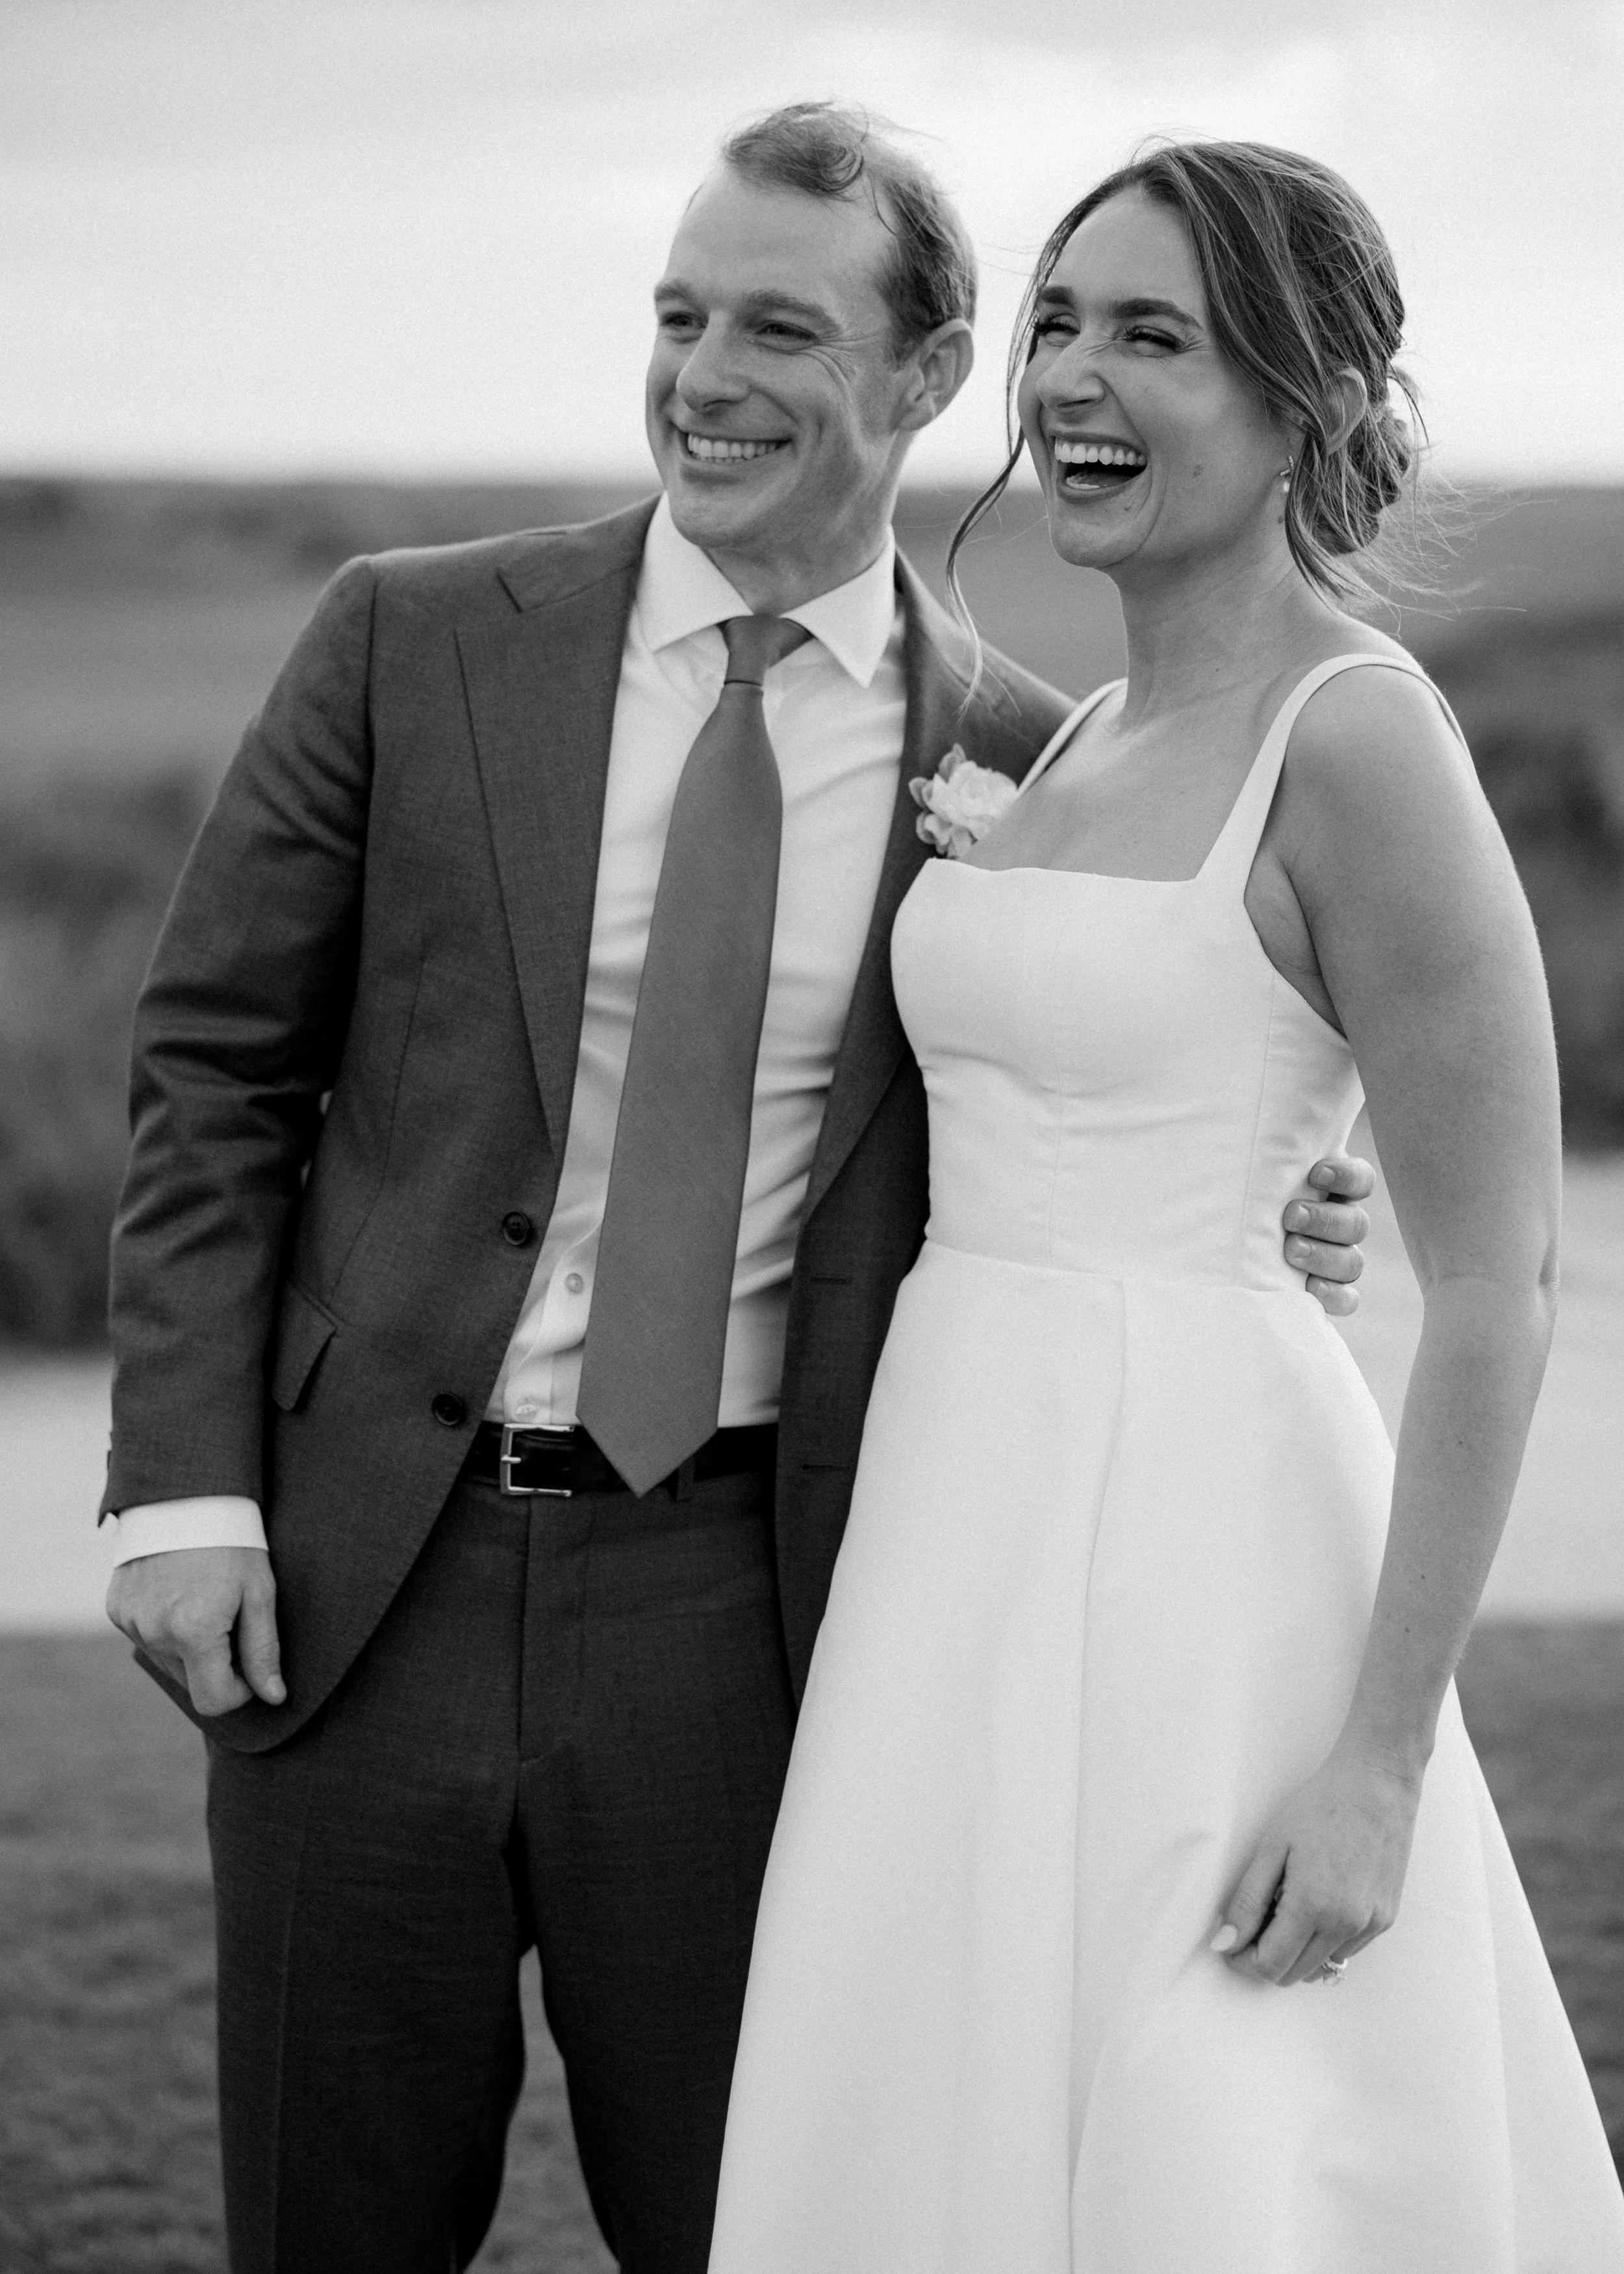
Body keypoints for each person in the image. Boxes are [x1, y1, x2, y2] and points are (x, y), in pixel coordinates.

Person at [101, 109, 1371, 2274]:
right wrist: (182, 1489)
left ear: (926, 368)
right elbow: (216, 1067)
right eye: (678, 315)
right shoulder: (413, 639)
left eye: (779, 324)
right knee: (328, 2220)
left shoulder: (1030, 760)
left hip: (754, 1619)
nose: (702, 375)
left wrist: (1295, 1202)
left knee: (769, 2221)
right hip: (347, 1593)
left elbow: (1093, 1073)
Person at [707, 140, 1624, 2271]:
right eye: (1055, 323)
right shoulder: (1088, 735)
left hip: (1212, 1562)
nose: (1073, 382)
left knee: (1198, 2127)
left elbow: (1495, 1279)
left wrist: (1379, 1755)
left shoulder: (1361, 740)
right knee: (941, 2107)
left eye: (1153, 335)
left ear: (1306, 399)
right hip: (958, 1535)